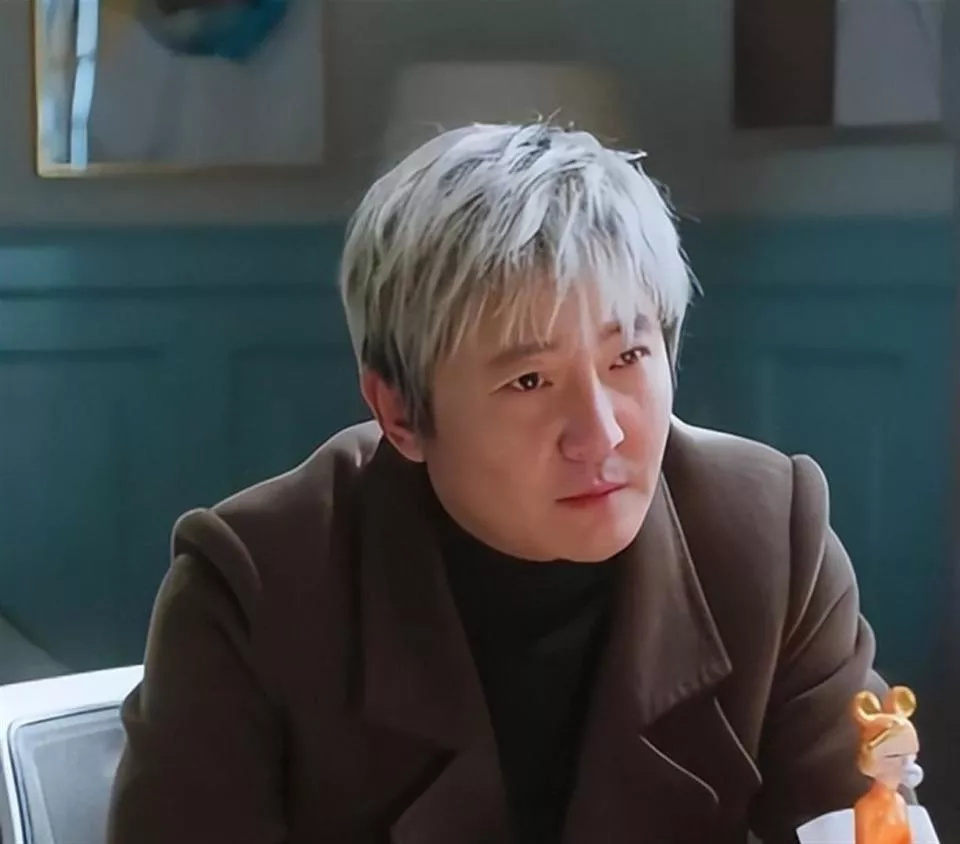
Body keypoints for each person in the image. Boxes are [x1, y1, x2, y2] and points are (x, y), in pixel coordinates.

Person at [107, 122, 884, 844]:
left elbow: (864, 819)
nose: (602, 435)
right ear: (400, 412)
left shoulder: (771, 539)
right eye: (529, 381)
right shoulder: (254, 588)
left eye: (627, 358)